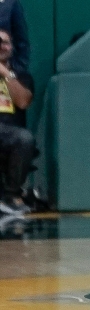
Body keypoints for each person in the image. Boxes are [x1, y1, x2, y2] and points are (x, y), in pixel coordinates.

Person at [0, 30, 34, 215]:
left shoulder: (20, 75)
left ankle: (11, 196)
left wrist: (5, 73)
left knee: (24, 138)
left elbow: (23, 102)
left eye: (5, 42)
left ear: (12, 47)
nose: (1, 46)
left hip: (8, 133)